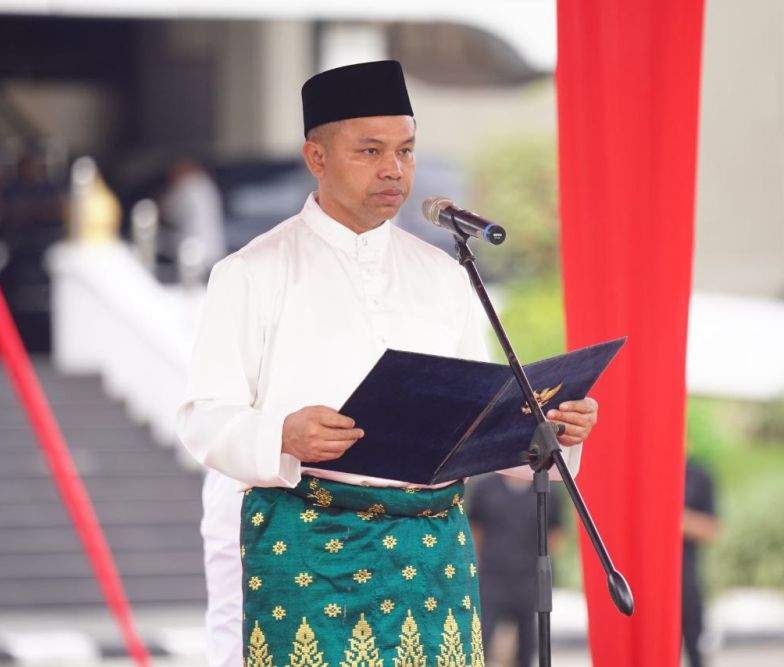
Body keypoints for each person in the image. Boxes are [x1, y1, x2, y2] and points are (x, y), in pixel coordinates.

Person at [176, 60, 599, 666]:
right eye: (370, 151)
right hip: (310, 545)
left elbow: (477, 423)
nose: (393, 169)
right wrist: (281, 434)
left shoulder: (444, 275)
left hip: (429, 550)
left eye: (405, 150)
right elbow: (204, 418)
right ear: (317, 158)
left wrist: (548, 431)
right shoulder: (251, 272)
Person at [467, 473, 564, 667]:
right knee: (479, 639)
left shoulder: (547, 490)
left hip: (529, 578)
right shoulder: (485, 487)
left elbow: (555, 533)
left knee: (528, 644)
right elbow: (474, 528)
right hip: (491, 576)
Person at [681, 458, 720, 667]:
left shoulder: (698, 476)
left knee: (695, 649)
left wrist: (672, 517)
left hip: (687, 578)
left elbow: (711, 529)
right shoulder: (643, 473)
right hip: (642, 582)